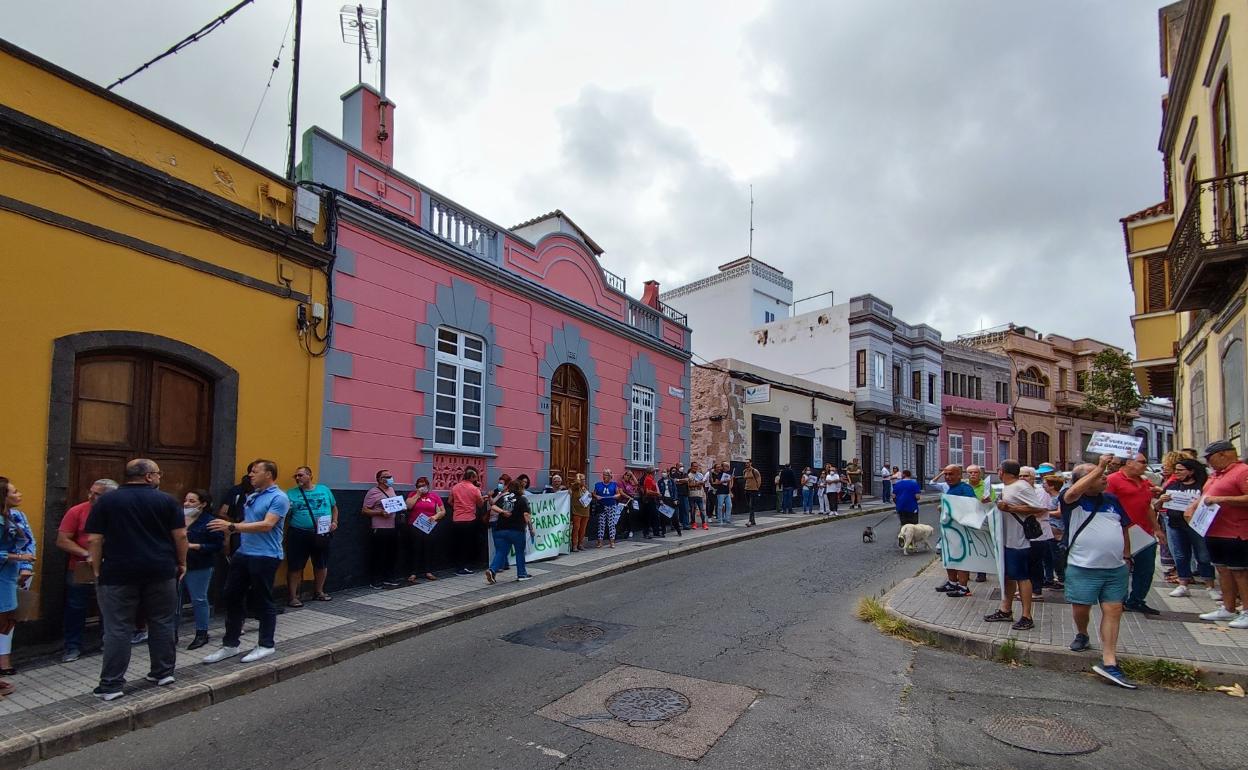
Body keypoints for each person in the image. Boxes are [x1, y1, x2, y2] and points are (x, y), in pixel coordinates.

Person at [84, 460, 186, 700]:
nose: (160, 477)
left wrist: (97, 569)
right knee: (162, 620)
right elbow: (180, 535)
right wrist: (182, 562)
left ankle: (111, 685)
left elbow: (94, 540)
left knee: (118, 628)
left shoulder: (107, 501)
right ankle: (163, 672)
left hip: (118, 572)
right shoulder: (167, 500)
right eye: (158, 473)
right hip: (160, 570)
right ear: (149, 477)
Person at [1060, 456, 1137, 689]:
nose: (1104, 477)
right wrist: (1101, 465)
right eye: (1096, 474)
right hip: (1083, 566)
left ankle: (1109, 660)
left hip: (1114, 568)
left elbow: (1123, 528)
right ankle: (1082, 633)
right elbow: (1071, 493)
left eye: (1103, 473)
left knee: (1113, 609)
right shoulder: (1072, 500)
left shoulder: (1112, 500)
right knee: (1082, 607)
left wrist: (1126, 555)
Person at [204, 460, 288, 665]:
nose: (250, 474)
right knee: (231, 595)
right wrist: (228, 528)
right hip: (244, 553)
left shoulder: (279, 497)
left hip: (266, 555)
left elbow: (268, 525)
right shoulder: (253, 496)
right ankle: (230, 644)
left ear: (269, 474)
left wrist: (232, 526)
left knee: (263, 599)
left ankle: (266, 644)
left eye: (255, 471)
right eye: (250, 471)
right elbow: (248, 523)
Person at [57, 478, 118, 663]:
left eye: (97, 494)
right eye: (91, 491)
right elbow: (62, 540)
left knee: (110, 606)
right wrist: (86, 553)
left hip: (111, 566)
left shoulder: (119, 513)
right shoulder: (77, 511)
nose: (91, 496)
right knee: (76, 606)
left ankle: (109, 642)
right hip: (81, 567)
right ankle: (72, 646)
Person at [984, 460, 1049, 632]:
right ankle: (1006, 610)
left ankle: (1027, 616)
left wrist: (1010, 508)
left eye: (999, 469)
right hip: (1006, 540)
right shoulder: (1008, 487)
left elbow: (1039, 508)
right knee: (1008, 576)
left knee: (1021, 577)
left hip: (1018, 541)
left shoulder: (1021, 486)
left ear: (1002, 471)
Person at [1190, 440, 1248, 629]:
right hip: (1214, 530)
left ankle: (1246, 611)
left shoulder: (1242, 471)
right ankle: (1228, 607)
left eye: (1209, 458)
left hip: (1236, 532)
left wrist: (1222, 499)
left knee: (1240, 573)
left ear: (1223, 454)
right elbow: (1205, 496)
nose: (1208, 462)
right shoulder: (1215, 475)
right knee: (1222, 570)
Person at [1106, 451, 1163, 615]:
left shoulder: (1144, 482)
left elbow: (1148, 507)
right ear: (1129, 463)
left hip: (1143, 531)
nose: (1145, 465)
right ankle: (1119, 600)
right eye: (1142, 462)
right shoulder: (1113, 480)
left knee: (1146, 568)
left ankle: (1137, 600)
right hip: (1122, 531)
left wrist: (1157, 529)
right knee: (1122, 567)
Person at [1156, 459, 1213, 599]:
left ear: (1191, 471)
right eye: (1176, 470)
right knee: (1180, 555)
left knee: (1203, 555)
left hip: (1196, 526)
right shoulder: (1173, 485)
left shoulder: (1202, 486)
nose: (1177, 473)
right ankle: (1183, 584)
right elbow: (1156, 507)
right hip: (1175, 525)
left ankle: (1210, 585)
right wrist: (1161, 500)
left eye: (1180, 470)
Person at [0, 477, 36, 696]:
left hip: (9, 578)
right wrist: (18, 556)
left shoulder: (12, 518)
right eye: (14, 491)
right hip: (3, 578)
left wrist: (24, 563)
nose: (19, 493)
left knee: (5, 625)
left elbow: (29, 541)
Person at [285, 466, 337, 606]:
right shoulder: (290, 494)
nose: (297, 478)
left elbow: (333, 507)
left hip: (322, 532)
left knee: (321, 563)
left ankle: (319, 591)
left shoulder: (324, 489)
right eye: (295, 476)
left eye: (300, 475)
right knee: (295, 565)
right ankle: (293, 596)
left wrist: (334, 522)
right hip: (299, 532)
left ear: (310, 476)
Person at [930, 465, 976, 597]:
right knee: (948, 557)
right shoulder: (950, 488)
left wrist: (948, 509)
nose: (948, 477)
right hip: (948, 531)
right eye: (946, 474)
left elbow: (972, 508)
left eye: (951, 474)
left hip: (960, 532)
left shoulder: (965, 489)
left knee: (961, 559)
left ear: (960, 475)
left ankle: (963, 587)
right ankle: (952, 582)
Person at [486, 479, 535, 584]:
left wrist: (503, 511)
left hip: (500, 529)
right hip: (516, 530)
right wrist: (531, 529)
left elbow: (493, 505)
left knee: (500, 552)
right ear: (520, 488)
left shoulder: (503, 497)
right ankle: (522, 574)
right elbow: (526, 515)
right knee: (519, 552)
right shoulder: (522, 499)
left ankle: (492, 570)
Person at [1019, 466, 1055, 602]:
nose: (1023, 478)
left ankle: (1036, 590)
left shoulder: (1041, 492)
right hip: (1023, 533)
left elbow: (1039, 509)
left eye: (1026, 476)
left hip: (1039, 533)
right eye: (1020, 476)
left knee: (1036, 563)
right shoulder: (1019, 491)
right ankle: (1026, 590)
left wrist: (1016, 509)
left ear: (1033, 478)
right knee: (1026, 562)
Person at [361, 470, 402, 588]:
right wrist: (380, 512)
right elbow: (364, 510)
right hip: (379, 527)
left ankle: (389, 578)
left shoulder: (391, 490)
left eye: (390, 475)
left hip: (392, 526)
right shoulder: (373, 492)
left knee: (391, 554)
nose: (390, 478)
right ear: (380, 479)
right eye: (387, 476)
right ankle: (375, 580)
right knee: (378, 554)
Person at [404, 477, 444, 584]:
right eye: (419, 486)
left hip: (429, 525)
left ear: (428, 486)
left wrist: (435, 516)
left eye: (424, 485)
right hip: (415, 526)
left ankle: (428, 571)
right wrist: (418, 495)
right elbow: (408, 506)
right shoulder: (412, 495)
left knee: (428, 548)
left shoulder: (434, 497)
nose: (422, 488)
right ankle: (413, 572)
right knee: (415, 548)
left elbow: (442, 511)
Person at [449, 468, 486, 574]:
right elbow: (480, 504)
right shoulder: (474, 489)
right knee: (467, 544)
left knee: (458, 543)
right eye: (475, 478)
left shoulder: (455, 487)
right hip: (469, 519)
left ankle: (457, 566)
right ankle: (464, 567)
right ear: (472, 477)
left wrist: (458, 507)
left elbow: (450, 501)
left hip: (456, 518)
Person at [216, 464, 254, 558]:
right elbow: (222, 512)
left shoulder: (268, 494)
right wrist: (233, 525)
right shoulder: (237, 491)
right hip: (238, 532)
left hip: (258, 535)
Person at [966, 464, 995, 584]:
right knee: (967, 546)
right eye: (970, 473)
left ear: (980, 474)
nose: (972, 474)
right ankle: (965, 573)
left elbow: (993, 502)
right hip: (966, 519)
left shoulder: (986, 486)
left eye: (975, 472)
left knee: (980, 546)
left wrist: (987, 501)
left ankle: (981, 573)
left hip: (981, 521)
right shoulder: (964, 486)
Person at [1041, 474, 1067, 589]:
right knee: (1047, 556)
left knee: (1057, 557)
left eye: (1045, 484)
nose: (1043, 485)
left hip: (1056, 531)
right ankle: (1049, 578)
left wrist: (1045, 512)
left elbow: (1059, 513)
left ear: (1052, 486)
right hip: (1047, 530)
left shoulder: (1059, 498)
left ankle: (1062, 580)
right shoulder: (1048, 497)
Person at [593, 469, 622, 547]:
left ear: (610, 476)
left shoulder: (614, 484)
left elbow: (618, 494)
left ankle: (612, 542)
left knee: (611, 524)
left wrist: (616, 496)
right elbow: (594, 494)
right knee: (601, 524)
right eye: (604, 474)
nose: (605, 476)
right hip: (601, 506)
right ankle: (600, 542)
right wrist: (596, 496)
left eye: (607, 475)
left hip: (611, 506)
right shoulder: (598, 484)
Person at [569, 473, 591, 551]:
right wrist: (578, 476)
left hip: (585, 511)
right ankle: (574, 545)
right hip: (577, 511)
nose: (583, 481)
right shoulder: (575, 487)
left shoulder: (585, 487)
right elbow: (577, 484)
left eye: (584, 479)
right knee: (576, 528)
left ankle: (580, 544)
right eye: (582, 479)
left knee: (583, 529)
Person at [658, 467, 681, 536]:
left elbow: (675, 491)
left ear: (668, 473)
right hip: (664, 500)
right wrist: (660, 499)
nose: (663, 473)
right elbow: (658, 491)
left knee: (674, 516)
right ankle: (663, 531)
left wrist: (675, 499)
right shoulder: (660, 481)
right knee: (662, 517)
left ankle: (678, 530)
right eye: (662, 472)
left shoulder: (671, 481)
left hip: (671, 500)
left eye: (664, 472)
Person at [687, 462, 708, 529]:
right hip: (691, 495)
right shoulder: (688, 475)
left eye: (696, 466)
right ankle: (694, 523)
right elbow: (689, 485)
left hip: (699, 494)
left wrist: (699, 484)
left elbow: (702, 484)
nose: (695, 468)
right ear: (691, 467)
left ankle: (704, 523)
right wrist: (697, 484)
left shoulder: (700, 475)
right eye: (694, 466)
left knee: (702, 510)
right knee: (693, 510)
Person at [640, 469, 660, 538]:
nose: (655, 472)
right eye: (654, 471)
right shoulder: (648, 479)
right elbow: (648, 491)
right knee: (648, 517)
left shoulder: (651, 479)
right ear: (651, 472)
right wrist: (656, 493)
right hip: (649, 500)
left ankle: (656, 532)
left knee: (655, 516)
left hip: (652, 499)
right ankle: (646, 533)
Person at [743, 460, 762, 525]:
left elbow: (759, 479)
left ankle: (750, 521)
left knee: (751, 505)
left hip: (753, 490)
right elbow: (745, 479)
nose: (746, 464)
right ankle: (753, 520)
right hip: (747, 489)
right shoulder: (745, 471)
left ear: (751, 463)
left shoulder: (755, 471)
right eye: (746, 463)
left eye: (748, 462)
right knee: (749, 506)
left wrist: (757, 487)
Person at [673, 464, 691, 529]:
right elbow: (674, 482)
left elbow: (687, 480)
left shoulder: (685, 474)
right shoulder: (674, 474)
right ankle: (679, 524)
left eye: (682, 466)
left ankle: (686, 524)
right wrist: (682, 481)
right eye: (680, 466)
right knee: (678, 511)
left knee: (685, 510)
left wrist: (678, 480)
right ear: (677, 467)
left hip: (685, 494)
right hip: (677, 494)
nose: (682, 467)